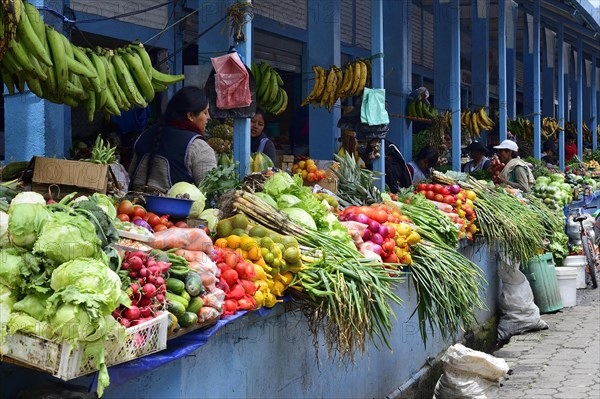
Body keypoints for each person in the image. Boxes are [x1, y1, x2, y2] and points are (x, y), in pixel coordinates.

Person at [129, 86, 216, 193]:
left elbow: (131, 175)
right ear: (191, 115)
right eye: (205, 112)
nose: (209, 117)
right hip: (174, 209)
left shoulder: (145, 135)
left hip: (135, 207)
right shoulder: (198, 147)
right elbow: (210, 191)